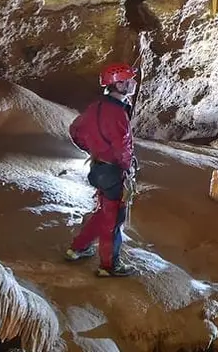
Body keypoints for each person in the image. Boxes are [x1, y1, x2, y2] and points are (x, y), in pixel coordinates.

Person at [66, 62, 137, 275]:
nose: (133, 83)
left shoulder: (96, 106)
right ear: (120, 86)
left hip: (98, 169)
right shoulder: (117, 114)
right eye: (128, 80)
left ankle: (77, 248)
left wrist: (93, 150)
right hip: (113, 172)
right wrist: (127, 168)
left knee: (104, 212)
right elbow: (122, 147)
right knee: (114, 220)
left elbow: (75, 130)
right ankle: (109, 266)